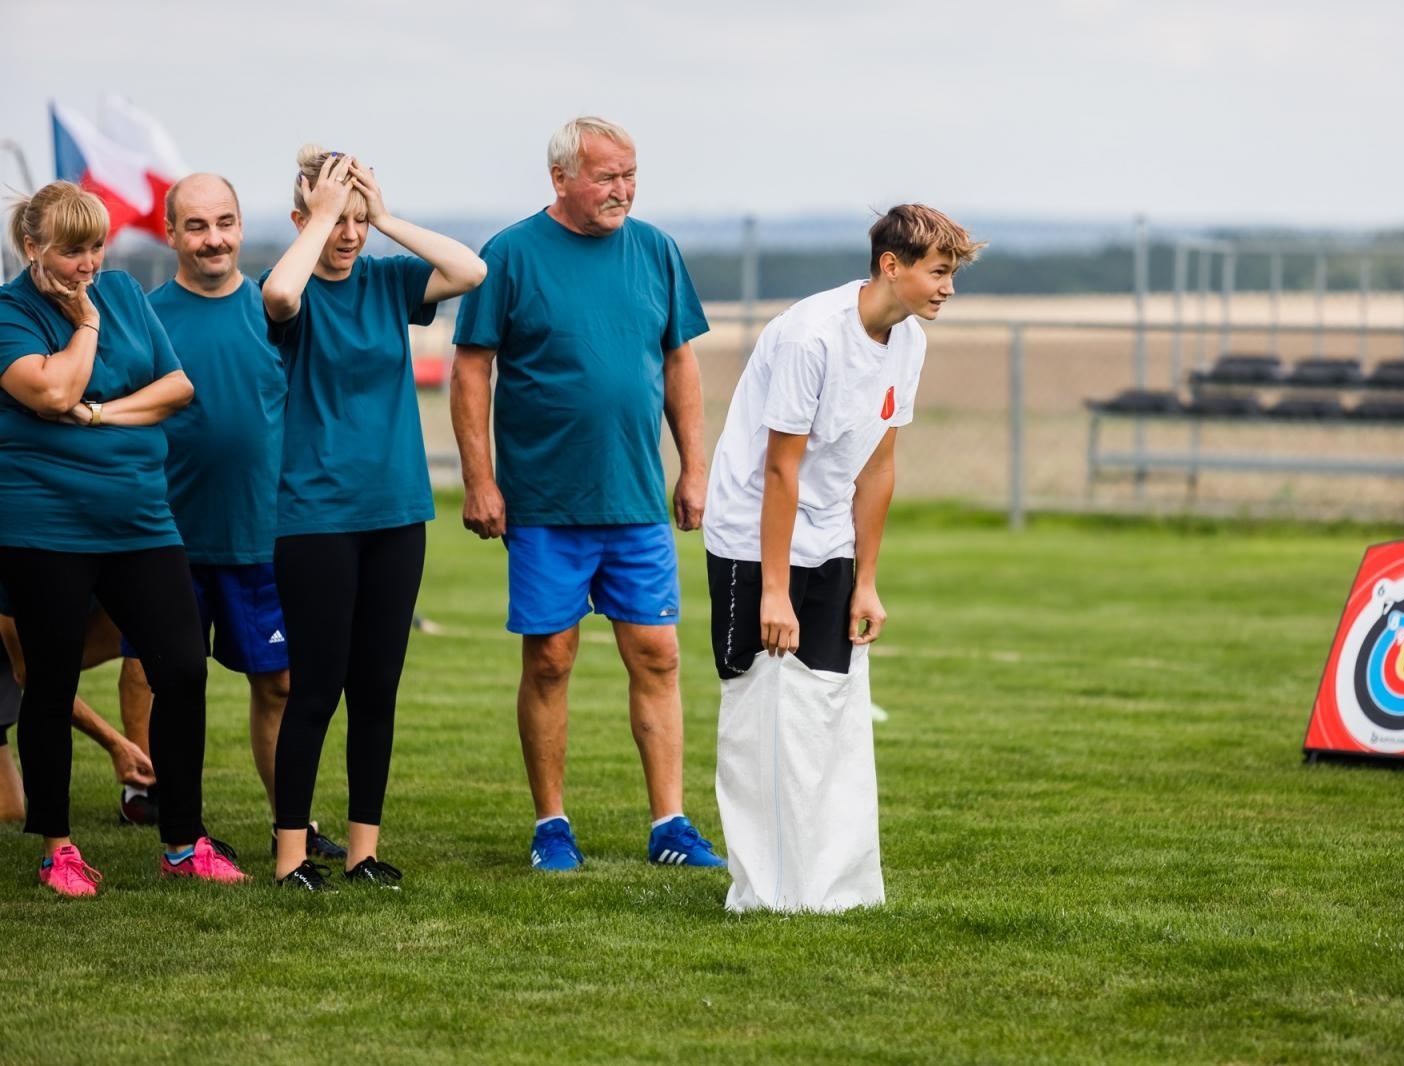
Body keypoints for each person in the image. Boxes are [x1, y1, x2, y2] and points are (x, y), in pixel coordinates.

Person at [451, 115, 724, 871]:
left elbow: (680, 365)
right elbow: (473, 368)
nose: (622, 191)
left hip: (635, 499)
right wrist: (480, 480)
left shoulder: (656, 251)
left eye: (631, 175)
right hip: (543, 502)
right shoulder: (508, 254)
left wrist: (694, 467)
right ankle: (551, 827)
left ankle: (670, 823)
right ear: (562, 178)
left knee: (659, 657)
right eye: (607, 176)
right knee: (550, 661)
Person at [701, 204, 983, 911]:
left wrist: (867, 582)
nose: (948, 289)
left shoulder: (909, 342)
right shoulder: (809, 336)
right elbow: (779, 473)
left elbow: (878, 467)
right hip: (753, 539)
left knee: (825, 706)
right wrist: (772, 592)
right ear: (893, 266)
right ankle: (764, 891)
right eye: (940, 273)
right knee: (762, 707)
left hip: (829, 541)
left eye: (951, 275)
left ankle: (829, 886)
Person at [0, 181, 246, 896]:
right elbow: (48, 391)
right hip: (44, 525)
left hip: (140, 519)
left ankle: (183, 839)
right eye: (70, 251)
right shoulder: (11, 314)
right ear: (32, 248)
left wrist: (101, 415)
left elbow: (176, 388)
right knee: (50, 680)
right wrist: (85, 324)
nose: (86, 265)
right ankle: (58, 848)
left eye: (94, 249)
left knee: (182, 670)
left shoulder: (127, 294)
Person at [262, 147, 485, 891]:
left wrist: (384, 215)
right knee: (316, 688)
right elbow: (280, 300)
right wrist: (320, 217)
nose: (351, 234)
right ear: (303, 219)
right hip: (315, 518)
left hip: (396, 513)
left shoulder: (390, 282)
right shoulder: (290, 283)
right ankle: (291, 856)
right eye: (337, 221)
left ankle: (362, 852)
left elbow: (470, 271)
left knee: (376, 691)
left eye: (360, 221)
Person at [117, 173, 346, 861]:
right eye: (196, 225)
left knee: (278, 683)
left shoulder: (277, 311)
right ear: (171, 234)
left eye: (224, 222)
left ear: (243, 227)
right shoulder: (147, 317)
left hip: (261, 537)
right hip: (167, 539)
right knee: (166, 680)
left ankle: (291, 827)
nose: (213, 238)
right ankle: (171, 816)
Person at [0, 599, 156, 822]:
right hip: (17, 645)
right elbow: (32, 674)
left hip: (32, 639)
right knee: (9, 812)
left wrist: (140, 759)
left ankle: (141, 790)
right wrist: (117, 746)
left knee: (145, 633)